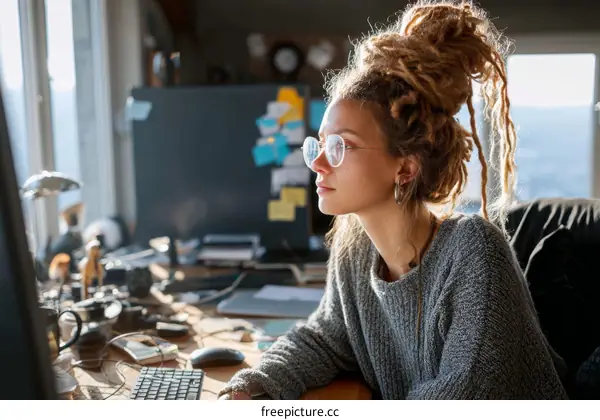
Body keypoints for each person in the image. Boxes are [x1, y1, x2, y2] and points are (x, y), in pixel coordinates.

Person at [218, 0, 568, 400]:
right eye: (319, 144)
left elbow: (461, 399)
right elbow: (323, 338)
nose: (316, 162)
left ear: (405, 168)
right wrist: (250, 388)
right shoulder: (354, 249)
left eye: (340, 146)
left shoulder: (474, 252)